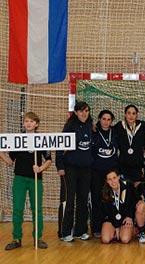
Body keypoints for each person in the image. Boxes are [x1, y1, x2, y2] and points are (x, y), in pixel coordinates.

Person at [0, 112, 52, 250]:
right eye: (26, 121)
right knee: (17, 209)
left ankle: (38, 238)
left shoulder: (42, 139)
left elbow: (48, 160)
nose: (28, 123)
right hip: (20, 179)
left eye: (31, 121)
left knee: (37, 209)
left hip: (36, 179)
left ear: (36, 124)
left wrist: (40, 168)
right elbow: (10, 161)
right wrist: (1, 154)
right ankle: (16, 238)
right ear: (23, 123)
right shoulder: (17, 139)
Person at [56, 101, 93, 242]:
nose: (84, 113)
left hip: (86, 169)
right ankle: (65, 232)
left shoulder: (91, 126)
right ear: (76, 112)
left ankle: (80, 230)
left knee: (83, 201)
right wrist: (60, 166)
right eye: (81, 111)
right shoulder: (69, 127)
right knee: (69, 201)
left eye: (87, 111)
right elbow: (60, 147)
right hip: (70, 169)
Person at [90, 109, 119, 238]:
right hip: (97, 172)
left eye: (109, 119)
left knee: (111, 199)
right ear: (99, 119)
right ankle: (96, 227)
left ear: (112, 121)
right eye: (104, 119)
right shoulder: (94, 131)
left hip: (111, 173)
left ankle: (112, 224)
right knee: (96, 199)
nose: (106, 122)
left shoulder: (116, 132)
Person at [114, 105, 145, 184]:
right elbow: (106, 128)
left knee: (136, 193)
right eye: (129, 113)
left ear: (137, 115)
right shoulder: (119, 126)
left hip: (138, 166)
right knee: (125, 192)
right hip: (123, 166)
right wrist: (95, 125)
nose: (131, 116)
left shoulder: (143, 126)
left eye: (133, 113)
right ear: (125, 114)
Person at [100, 169, 135, 244]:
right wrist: (116, 226)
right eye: (109, 179)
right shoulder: (105, 192)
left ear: (118, 177)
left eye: (114, 178)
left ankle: (132, 230)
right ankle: (115, 232)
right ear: (106, 181)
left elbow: (133, 203)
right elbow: (106, 212)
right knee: (105, 240)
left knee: (125, 239)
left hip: (125, 218)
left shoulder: (128, 186)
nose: (113, 181)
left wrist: (129, 216)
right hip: (111, 219)